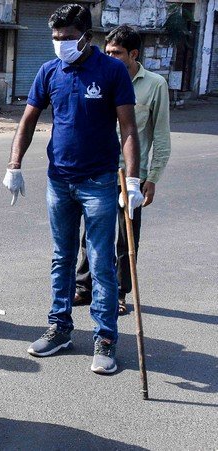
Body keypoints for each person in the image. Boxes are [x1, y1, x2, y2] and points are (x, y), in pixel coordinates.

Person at [2, 4, 144, 374]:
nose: (60, 44)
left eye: (67, 38)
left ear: (86, 36)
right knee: (61, 258)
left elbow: (129, 129)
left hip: (98, 181)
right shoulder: (50, 71)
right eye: (55, 38)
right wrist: (14, 165)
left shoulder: (111, 71)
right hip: (59, 181)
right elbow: (28, 120)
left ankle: (105, 337)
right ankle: (60, 327)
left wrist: (132, 179)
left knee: (100, 262)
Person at [74, 25, 172, 315]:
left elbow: (161, 137)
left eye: (117, 53)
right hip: (96, 171)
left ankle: (119, 293)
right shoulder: (98, 78)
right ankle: (84, 287)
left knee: (125, 237)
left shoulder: (154, 85)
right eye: (107, 52)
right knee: (89, 232)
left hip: (130, 176)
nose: (110, 57)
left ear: (133, 54)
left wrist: (151, 179)